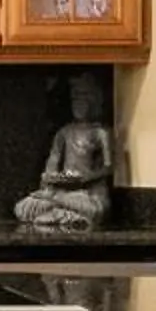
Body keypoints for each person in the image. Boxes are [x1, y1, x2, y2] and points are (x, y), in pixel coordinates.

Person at [14, 79, 115, 229]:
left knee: (93, 210)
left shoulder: (101, 132)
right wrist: (48, 180)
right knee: (23, 208)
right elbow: (52, 163)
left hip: (88, 194)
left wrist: (86, 177)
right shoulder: (64, 132)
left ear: (94, 100)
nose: (78, 104)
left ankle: (60, 209)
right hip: (64, 190)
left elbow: (109, 168)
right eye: (75, 99)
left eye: (83, 98)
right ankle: (63, 212)